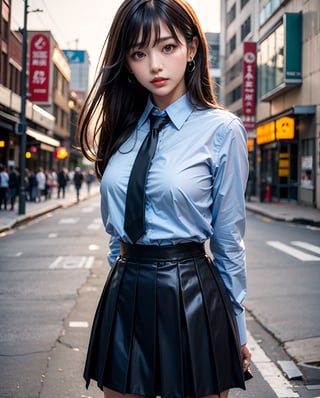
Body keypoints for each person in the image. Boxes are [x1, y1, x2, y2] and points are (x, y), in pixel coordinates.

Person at [78, 1, 252, 398]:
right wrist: (122, 283)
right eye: (139, 53)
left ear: (192, 48)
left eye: (167, 47)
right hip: (125, 291)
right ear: (126, 62)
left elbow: (229, 241)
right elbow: (114, 229)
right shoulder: (119, 131)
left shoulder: (222, 131)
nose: (155, 65)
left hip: (192, 295)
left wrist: (235, 327)